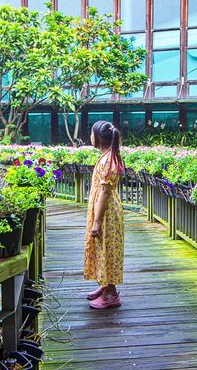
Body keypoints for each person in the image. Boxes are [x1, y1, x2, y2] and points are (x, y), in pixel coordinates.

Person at [84, 120, 125, 309]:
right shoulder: (108, 155)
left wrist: (97, 222)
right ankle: (105, 285)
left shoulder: (108, 160)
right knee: (103, 248)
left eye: (91, 133)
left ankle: (111, 294)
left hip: (106, 213)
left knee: (108, 250)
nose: (90, 136)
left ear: (98, 138)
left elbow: (105, 192)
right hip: (105, 210)